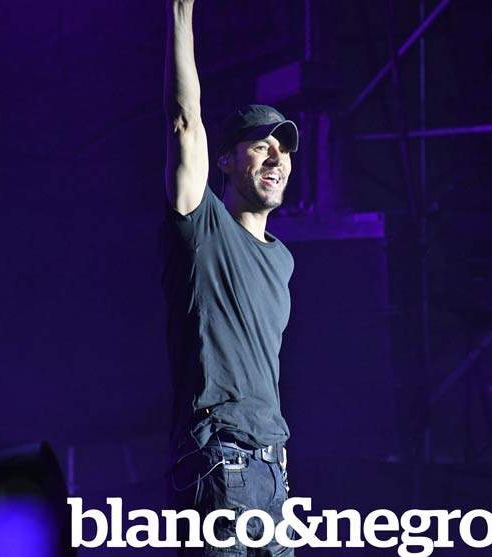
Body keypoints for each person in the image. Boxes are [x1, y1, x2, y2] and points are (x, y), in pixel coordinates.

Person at [159, 0, 299, 554]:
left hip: (272, 469)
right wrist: (181, 12)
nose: (276, 158)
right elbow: (185, 120)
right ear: (226, 160)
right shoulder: (203, 226)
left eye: (283, 150)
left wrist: (278, 455)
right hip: (218, 463)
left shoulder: (283, 259)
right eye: (261, 146)